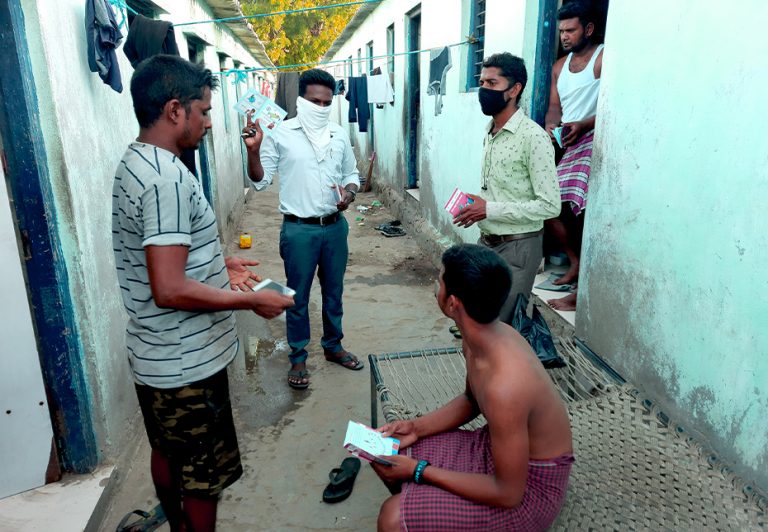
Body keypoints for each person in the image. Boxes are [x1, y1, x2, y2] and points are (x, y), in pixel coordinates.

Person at [112, 55, 294, 532]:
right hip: (187, 363)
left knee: (167, 451)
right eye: (205, 111)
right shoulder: (166, 179)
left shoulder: (137, 161)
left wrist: (218, 261)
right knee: (201, 477)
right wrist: (251, 301)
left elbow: (161, 256)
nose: (210, 123)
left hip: (156, 358)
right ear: (176, 110)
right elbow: (169, 287)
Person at [372, 244, 574, 531]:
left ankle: (414, 512)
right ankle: (422, 511)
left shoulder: (506, 385)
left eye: (439, 280)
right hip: (498, 451)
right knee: (385, 452)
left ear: (453, 303)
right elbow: (471, 399)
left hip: (529, 490)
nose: (435, 286)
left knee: (391, 516)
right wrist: (416, 427)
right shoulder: (481, 337)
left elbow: (508, 494)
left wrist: (420, 471)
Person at [243, 69, 362, 390]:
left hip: (335, 228)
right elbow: (260, 180)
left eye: (326, 102)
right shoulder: (281, 133)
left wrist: (349, 193)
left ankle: (333, 346)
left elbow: (353, 173)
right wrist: (253, 151)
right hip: (299, 232)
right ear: (301, 101)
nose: (321, 107)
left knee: (334, 293)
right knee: (297, 296)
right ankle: (298, 357)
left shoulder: (338, 134)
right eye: (314, 101)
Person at [453, 53, 560, 325]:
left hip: (519, 248)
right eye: (482, 82)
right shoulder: (492, 131)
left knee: (503, 329)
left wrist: (488, 208)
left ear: (514, 89)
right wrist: (479, 204)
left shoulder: (533, 137)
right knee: (477, 322)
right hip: (487, 243)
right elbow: (506, 189)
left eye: (492, 83)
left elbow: (550, 205)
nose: (483, 90)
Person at [544, 1, 605, 311]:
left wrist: (584, 124)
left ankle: (584, 282)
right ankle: (576, 261)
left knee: (579, 205)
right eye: (561, 31)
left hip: (595, 138)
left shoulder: (602, 58)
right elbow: (555, 106)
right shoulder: (559, 66)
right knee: (549, 202)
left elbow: (615, 104)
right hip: (569, 141)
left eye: (571, 30)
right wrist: (551, 125)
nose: (564, 36)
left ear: (589, 29)